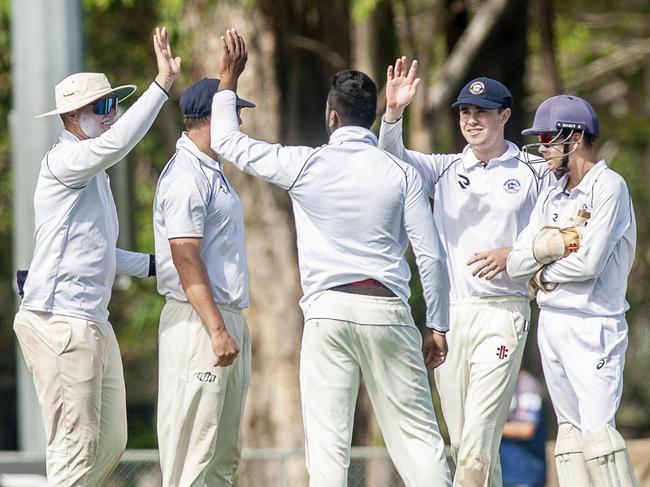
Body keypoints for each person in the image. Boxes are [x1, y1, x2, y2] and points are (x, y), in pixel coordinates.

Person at [211, 29, 452, 487]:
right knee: (421, 446)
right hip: (387, 310)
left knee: (327, 451)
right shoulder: (400, 172)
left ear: (331, 116)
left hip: (327, 313)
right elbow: (431, 258)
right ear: (371, 115)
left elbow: (229, 142)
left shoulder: (307, 165)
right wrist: (437, 325)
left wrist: (228, 80)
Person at [12, 27, 180, 485]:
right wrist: (161, 85)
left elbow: (99, 253)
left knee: (109, 444)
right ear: (71, 116)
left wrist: (158, 264)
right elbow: (117, 143)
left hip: (91, 321)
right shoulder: (66, 161)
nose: (112, 114)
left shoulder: (93, 173)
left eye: (114, 104)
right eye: (102, 106)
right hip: (60, 322)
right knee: (74, 448)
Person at [378, 57, 554, 486]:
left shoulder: (534, 171)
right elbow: (390, 159)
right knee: (467, 447)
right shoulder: (444, 169)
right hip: (453, 317)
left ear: (505, 115)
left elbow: (553, 237)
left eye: (481, 112)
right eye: (465, 112)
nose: (471, 120)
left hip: (505, 312)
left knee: (477, 440)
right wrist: (394, 113)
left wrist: (512, 255)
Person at [507, 94, 638, 487]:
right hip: (553, 322)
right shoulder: (552, 191)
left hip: (594, 323)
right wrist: (540, 256)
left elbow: (589, 263)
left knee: (599, 438)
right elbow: (515, 263)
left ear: (575, 138)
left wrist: (542, 275)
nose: (543, 148)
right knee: (569, 438)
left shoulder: (609, 187)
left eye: (548, 138)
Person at [153, 77, 255, 486]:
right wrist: (215, 328)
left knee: (223, 455)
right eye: (235, 114)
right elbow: (184, 255)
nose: (241, 124)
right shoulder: (186, 176)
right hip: (200, 323)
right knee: (194, 452)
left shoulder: (213, 170)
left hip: (225, 319)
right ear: (212, 118)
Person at [499, 370, 547, 487]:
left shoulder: (528, 385)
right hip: (503, 473)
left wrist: (489, 429)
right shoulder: (498, 385)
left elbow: (526, 429)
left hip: (525, 474)